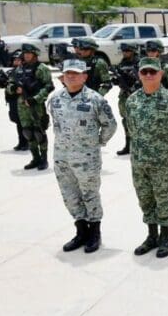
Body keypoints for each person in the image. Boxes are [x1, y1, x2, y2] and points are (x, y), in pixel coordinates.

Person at [48, 60, 117, 253]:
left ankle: (94, 233)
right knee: (69, 195)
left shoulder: (95, 100)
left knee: (90, 195)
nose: (70, 76)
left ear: (84, 76)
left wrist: (97, 142)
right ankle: (81, 231)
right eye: (67, 73)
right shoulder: (55, 99)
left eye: (75, 73)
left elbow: (110, 126)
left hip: (87, 159)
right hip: (62, 157)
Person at [126, 57, 168, 258]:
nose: (149, 75)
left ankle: (165, 237)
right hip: (138, 161)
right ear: (139, 75)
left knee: (162, 199)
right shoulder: (132, 100)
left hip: (160, 162)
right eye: (145, 72)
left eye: (153, 72)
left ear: (161, 74)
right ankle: (151, 235)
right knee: (144, 198)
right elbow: (130, 127)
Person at [6, 43, 54, 171]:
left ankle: (44, 159)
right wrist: (14, 89)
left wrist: (35, 99)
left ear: (35, 55)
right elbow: (9, 84)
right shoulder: (19, 69)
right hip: (22, 106)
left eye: (29, 53)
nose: (26, 56)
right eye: (25, 54)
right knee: (28, 132)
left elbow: (49, 86)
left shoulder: (41, 68)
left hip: (36, 106)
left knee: (39, 132)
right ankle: (35, 158)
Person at [111, 42, 140, 156]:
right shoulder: (122, 63)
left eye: (127, 51)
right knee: (125, 120)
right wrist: (116, 80)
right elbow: (118, 78)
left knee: (137, 121)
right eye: (123, 51)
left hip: (136, 94)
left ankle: (138, 146)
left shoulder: (139, 62)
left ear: (133, 50)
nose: (125, 53)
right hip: (124, 95)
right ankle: (128, 145)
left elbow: (142, 78)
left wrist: (133, 88)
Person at [0, 51, 28, 151]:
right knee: (17, 121)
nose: (16, 62)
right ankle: (21, 142)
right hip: (13, 101)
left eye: (18, 60)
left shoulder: (26, 72)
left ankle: (28, 142)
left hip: (23, 101)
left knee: (25, 123)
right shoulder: (10, 72)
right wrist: (2, 80)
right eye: (15, 60)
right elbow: (0, 85)